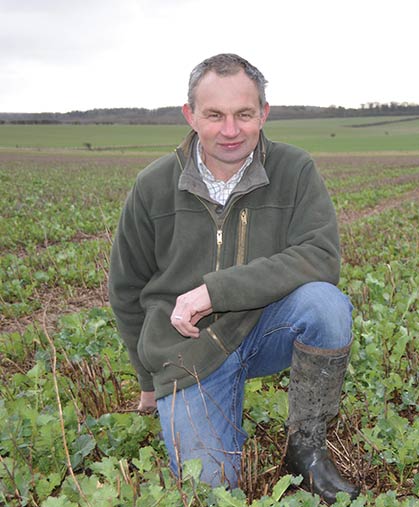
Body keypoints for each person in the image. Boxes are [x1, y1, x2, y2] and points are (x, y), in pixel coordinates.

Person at [108, 53, 359, 503]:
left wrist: (215, 291)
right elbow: (127, 290)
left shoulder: (294, 169)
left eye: (244, 114)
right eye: (214, 115)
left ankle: (307, 450)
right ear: (190, 115)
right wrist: (147, 382)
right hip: (187, 352)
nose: (230, 130)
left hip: (264, 327)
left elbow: (321, 257)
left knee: (326, 305)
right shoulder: (152, 185)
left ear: (263, 112)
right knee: (210, 490)